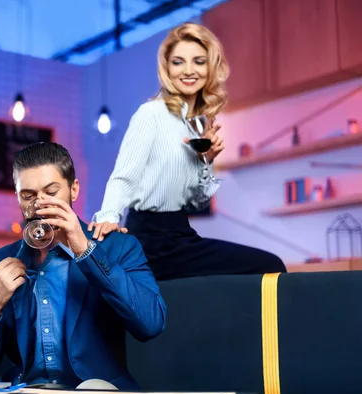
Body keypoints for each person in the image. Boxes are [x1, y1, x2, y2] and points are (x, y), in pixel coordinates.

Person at [88, 22, 286, 281]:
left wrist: (206, 162)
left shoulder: (197, 126)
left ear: (210, 68)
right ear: (167, 68)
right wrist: (108, 217)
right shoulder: (151, 113)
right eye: (178, 62)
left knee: (270, 265)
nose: (189, 70)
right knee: (269, 265)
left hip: (181, 234)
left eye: (199, 62)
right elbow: (124, 175)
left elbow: (197, 203)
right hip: (150, 241)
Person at [0, 142, 166, 391]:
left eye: (51, 192)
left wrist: (86, 250)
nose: (40, 205)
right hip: (27, 393)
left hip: (96, 393)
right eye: (28, 196)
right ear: (17, 198)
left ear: (74, 189)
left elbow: (151, 323)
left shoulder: (118, 246)